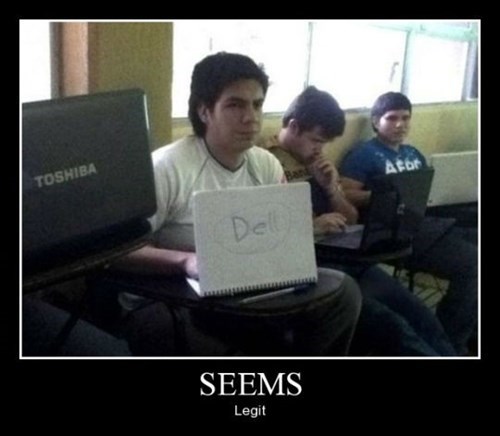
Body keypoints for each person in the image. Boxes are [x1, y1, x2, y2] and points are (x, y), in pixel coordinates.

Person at [110, 52, 362, 356]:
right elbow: (118, 252)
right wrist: (185, 262)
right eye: (235, 105)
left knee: (344, 294)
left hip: (250, 288)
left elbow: (287, 235)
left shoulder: (267, 164)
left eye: (257, 104)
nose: (251, 117)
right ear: (205, 111)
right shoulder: (167, 168)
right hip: (170, 299)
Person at [263, 86, 456, 356]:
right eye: (316, 140)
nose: (320, 149)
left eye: (324, 143)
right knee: (396, 330)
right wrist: (312, 227)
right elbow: (266, 233)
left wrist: (331, 189)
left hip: (348, 258)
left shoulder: (315, 161)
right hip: (314, 267)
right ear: (293, 127)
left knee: (421, 316)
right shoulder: (265, 162)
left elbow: (351, 218)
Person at [339, 91, 478, 355]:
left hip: (426, 221)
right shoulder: (364, 154)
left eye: (405, 118)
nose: (400, 124)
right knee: (473, 265)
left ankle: (473, 333)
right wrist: (385, 196)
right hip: (395, 230)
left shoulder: (413, 153)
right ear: (376, 121)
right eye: (392, 118)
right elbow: (345, 193)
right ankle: (452, 344)